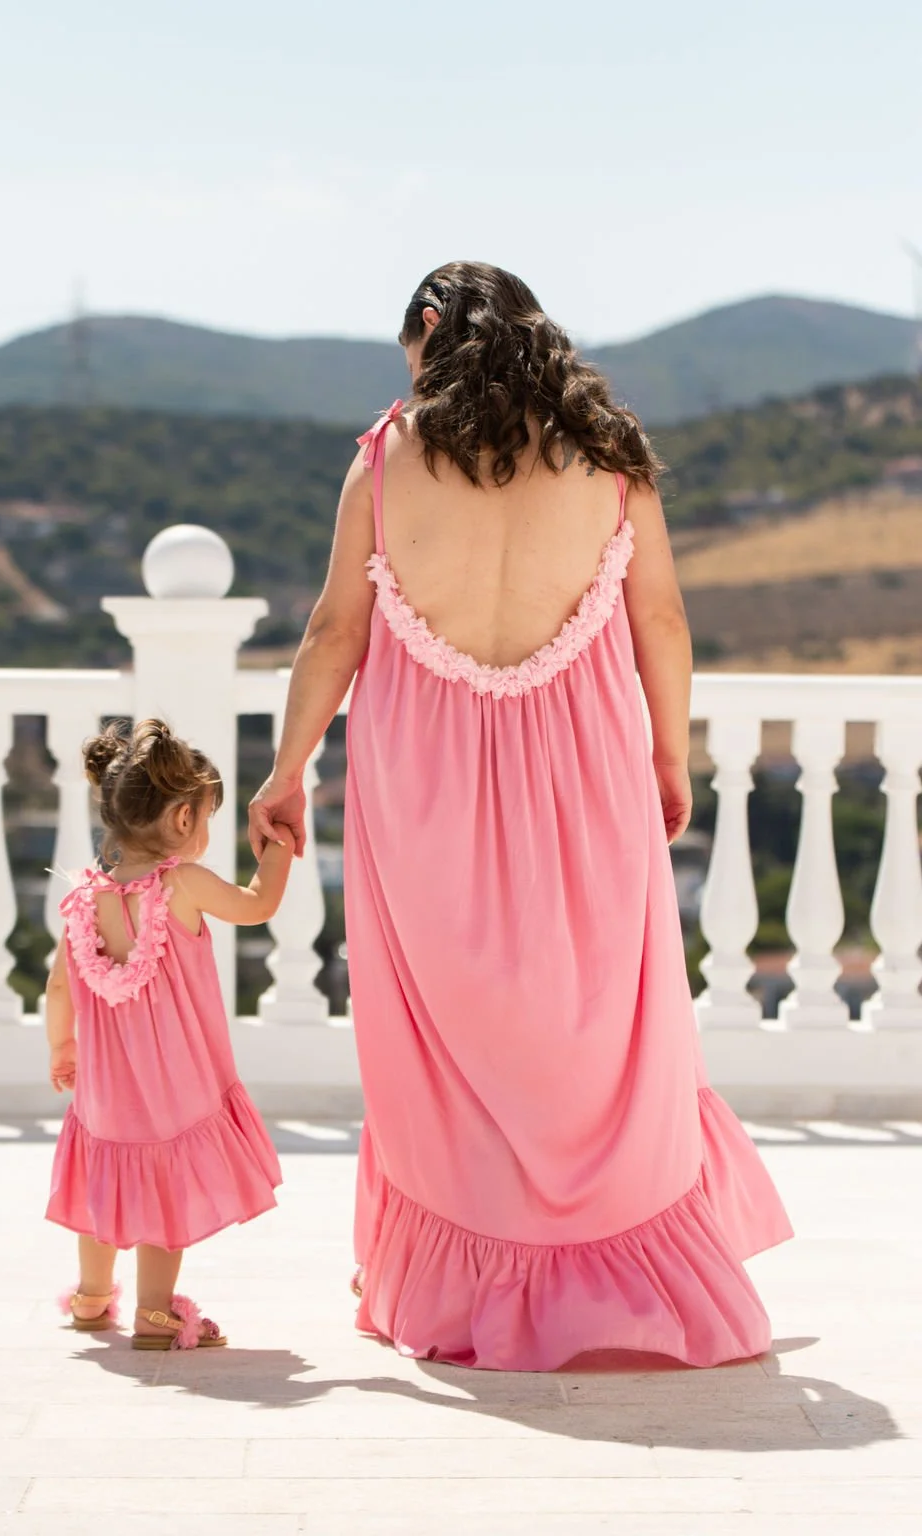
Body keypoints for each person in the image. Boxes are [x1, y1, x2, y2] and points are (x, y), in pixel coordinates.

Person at [249, 262, 792, 1371]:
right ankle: (620, 1275)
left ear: (429, 336)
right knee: (594, 1027)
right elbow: (666, 622)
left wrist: (284, 769)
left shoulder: (386, 457)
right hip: (584, 771)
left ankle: (456, 1287)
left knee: (442, 1036)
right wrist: (667, 748)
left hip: (421, 782)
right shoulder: (608, 455)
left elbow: (332, 634)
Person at [46, 718, 293, 1350]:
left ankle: (92, 1295)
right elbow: (258, 905)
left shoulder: (81, 900)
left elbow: (58, 987)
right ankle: (156, 1312)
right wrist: (280, 851)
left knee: (106, 1180)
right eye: (206, 818)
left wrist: (63, 1048)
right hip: (172, 1085)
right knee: (161, 1189)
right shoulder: (182, 884)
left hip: (104, 1089)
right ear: (182, 822)